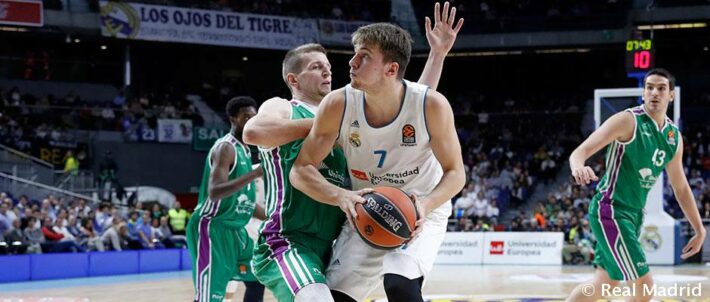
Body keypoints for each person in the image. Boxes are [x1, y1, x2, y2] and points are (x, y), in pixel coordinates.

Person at [290, 12, 466, 301]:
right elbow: (301, 169)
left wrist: (425, 204)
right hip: (366, 208)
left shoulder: (432, 105)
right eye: (354, 54)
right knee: (336, 297)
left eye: (365, 56)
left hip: (420, 209)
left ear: (391, 69)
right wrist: (340, 196)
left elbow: (456, 173)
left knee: (399, 281)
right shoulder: (338, 103)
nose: (352, 62)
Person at [565, 68, 706, 302]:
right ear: (643, 93)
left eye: (661, 88)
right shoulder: (627, 120)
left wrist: (699, 228)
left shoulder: (673, 136)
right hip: (610, 210)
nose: (654, 93)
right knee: (645, 286)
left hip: (633, 215)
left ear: (671, 95)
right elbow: (581, 151)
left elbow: (680, 187)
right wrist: (578, 166)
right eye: (649, 87)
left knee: (604, 284)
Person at [186, 96, 267, 302]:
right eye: (246, 117)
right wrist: (256, 174)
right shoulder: (226, 147)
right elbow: (215, 191)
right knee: (210, 298)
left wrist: (274, 218)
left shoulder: (246, 150)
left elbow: (245, 202)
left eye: (254, 118)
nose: (251, 122)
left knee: (257, 278)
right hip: (213, 228)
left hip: (236, 231)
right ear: (233, 119)